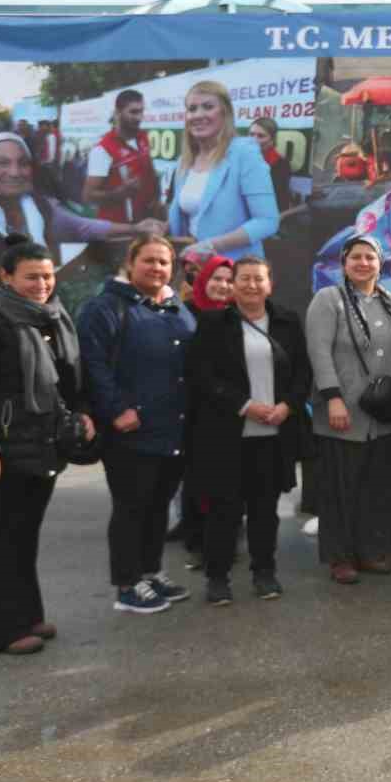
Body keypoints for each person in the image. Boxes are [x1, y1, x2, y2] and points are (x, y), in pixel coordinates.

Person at [0, 235, 93, 654]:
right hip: (3, 449)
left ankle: (27, 616)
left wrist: (82, 412)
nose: (42, 284)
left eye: (47, 276)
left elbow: (68, 378)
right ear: (5, 276)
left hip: (44, 443)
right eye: (31, 277)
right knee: (8, 535)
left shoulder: (51, 317)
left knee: (25, 534)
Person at [78, 234, 196, 613]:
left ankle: (151, 571)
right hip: (131, 429)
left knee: (158, 505)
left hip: (172, 426)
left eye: (164, 262)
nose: (158, 268)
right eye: (149, 260)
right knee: (131, 507)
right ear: (130, 263)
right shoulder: (105, 307)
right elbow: (93, 365)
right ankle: (127, 586)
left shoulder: (176, 306)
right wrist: (116, 410)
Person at [186, 257, 310, 605]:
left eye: (259, 279)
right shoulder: (213, 323)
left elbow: (302, 373)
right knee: (223, 511)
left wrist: (287, 406)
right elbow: (202, 376)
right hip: (228, 433)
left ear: (269, 284)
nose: (252, 285)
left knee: (264, 510)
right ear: (233, 284)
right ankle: (217, 577)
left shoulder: (287, 321)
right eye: (244, 279)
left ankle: (264, 573)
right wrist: (245, 405)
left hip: (273, 435)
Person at [0, 132, 164, 326]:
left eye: (23, 163)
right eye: (1, 163)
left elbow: (83, 227)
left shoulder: (38, 209)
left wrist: (136, 228)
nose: (14, 172)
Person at [305, 235, 391, 585]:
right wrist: (332, 396)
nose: (363, 263)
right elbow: (318, 351)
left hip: (382, 416)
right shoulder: (328, 299)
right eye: (355, 257)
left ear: (381, 264)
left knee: (377, 488)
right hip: (342, 412)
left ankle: (371, 551)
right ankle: (340, 557)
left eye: (370, 257)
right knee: (340, 489)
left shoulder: (390, 301)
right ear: (343, 264)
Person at [167, 81, 279, 260]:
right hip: (193, 269)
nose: (198, 115)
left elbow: (267, 222)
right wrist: (162, 227)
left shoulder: (244, 153)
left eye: (208, 107)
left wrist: (212, 246)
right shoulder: (184, 162)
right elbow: (193, 219)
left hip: (234, 271)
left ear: (225, 113)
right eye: (192, 108)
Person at [178, 254, 235, 569]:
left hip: (234, 411)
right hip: (196, 411)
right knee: (199, 479)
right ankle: (198, 542)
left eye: (229, 280)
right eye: (217, 279)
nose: (223, 286)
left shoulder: (240, 316)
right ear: (203, 280)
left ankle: (224, 541)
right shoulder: (185, 314)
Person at [84, 90, 160, 224]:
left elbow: (150, 171)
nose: (139, 117)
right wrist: (118, 194)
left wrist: (155, 196)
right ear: (118, 113)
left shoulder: (143, 137)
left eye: (141, 111)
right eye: (133, 112)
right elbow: (88, 196)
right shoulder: (102, 150)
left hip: (145, 222)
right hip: (118, 229)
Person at [249, 116, 294, 213]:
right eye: (251, 134)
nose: (254, 140)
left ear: (272, 139)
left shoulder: (281, 164)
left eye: (261, 136)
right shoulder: (243, 158)